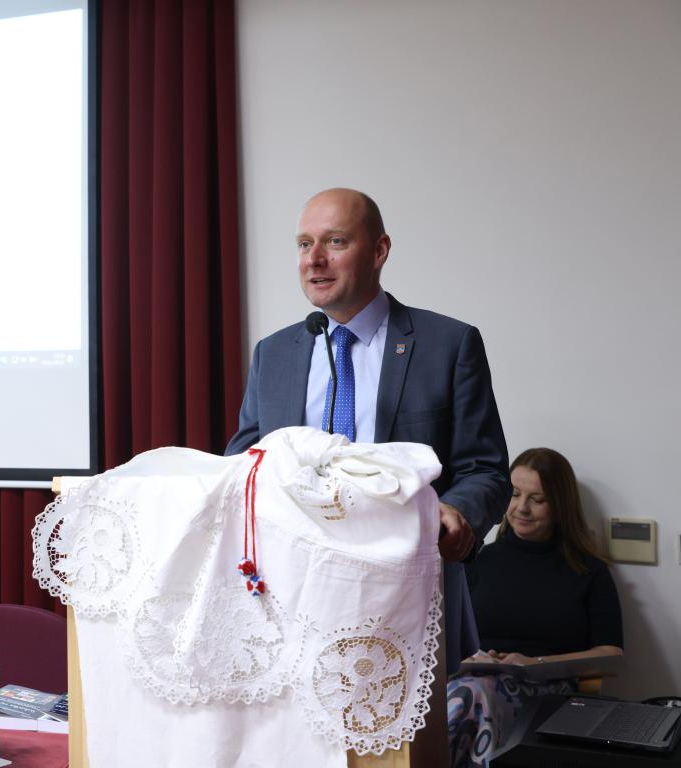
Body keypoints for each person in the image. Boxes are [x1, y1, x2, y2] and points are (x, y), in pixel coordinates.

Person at [225, 187, 511, 667]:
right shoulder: (273, 355)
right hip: (290, 602)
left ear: (379, 251)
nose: (314, 259)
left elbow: (486, 470)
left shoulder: (448, 344)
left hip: (408, 603)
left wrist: (457, 511)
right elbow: (243, 467)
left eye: (335, 241)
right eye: (304, 244)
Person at [447, 447, 623, 766]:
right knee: (470, 692)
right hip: (475, 683)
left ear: (560, 506)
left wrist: (533, 663)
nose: (522, 508)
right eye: (514, 495)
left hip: (548, 690)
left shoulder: (589, 570)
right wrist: (474, 659)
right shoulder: (479, 558)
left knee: (475, 695)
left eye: (537, 499)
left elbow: (610, 654)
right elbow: (449, 636)